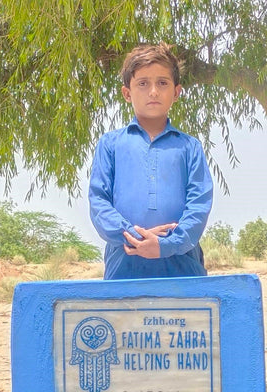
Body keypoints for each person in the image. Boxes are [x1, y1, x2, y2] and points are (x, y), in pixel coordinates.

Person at [88, 42, 214, 280]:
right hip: (124, 266)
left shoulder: (190, 147)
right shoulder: (110, 145)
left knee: (185, 318)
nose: (153, 91)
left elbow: (199, 206)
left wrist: (167, 245)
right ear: (127, 93)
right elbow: (98, 202)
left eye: (162, 83)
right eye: (143, 83)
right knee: (124, 318)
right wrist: (132, 235)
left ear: (176, 92)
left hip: (183, 268)